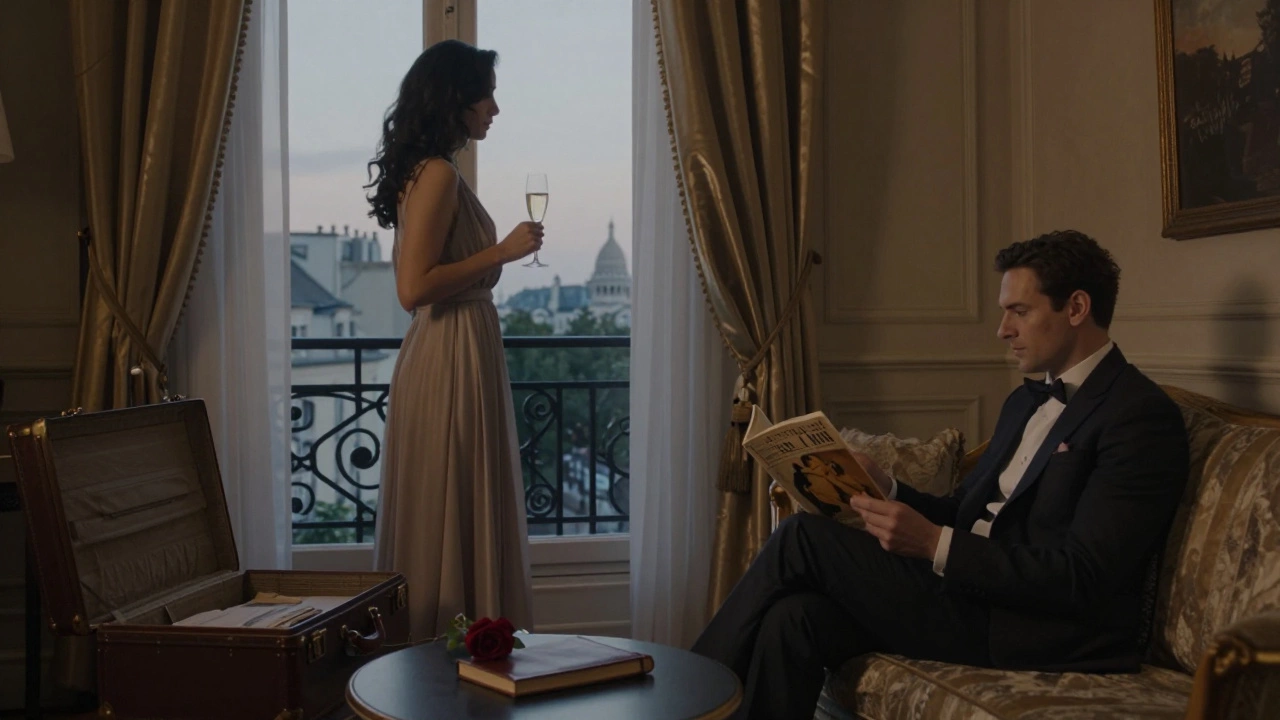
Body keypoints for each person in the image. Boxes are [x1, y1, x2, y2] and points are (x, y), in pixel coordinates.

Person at [691, 230, 1190, 719]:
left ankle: (684, 698)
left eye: (1019, 311)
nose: (1003, 329)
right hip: (966, 594)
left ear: (1076, 308)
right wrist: (887, 487)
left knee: (802, 537)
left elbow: (1081, 575)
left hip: (1032, 626)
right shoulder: (1024, 401)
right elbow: (963, 511)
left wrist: (934, 544)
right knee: (793, 618)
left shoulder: (1138, 416)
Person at [366, 39, 540, 639]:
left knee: (453, 502)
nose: (494, 108)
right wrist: (501, 252)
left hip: (457, 346)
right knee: (453, 500)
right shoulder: (438, 174)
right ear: (455, 100)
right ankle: (451, 648)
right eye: (485, 95)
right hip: (450, 351)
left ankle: (453, 650)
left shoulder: (430, 170)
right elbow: (413, 288)